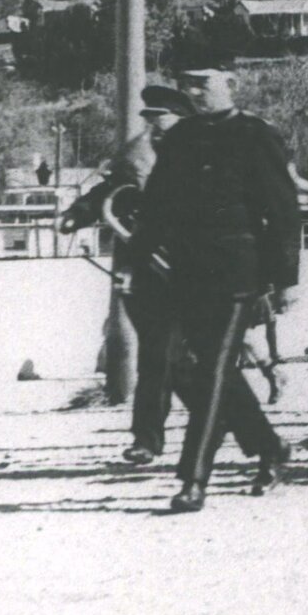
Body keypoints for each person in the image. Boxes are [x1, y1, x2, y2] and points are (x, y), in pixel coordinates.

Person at [125, 52, 300, 513]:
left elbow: (282, 210)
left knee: (214, 371)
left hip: (236, 273)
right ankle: (270, 448)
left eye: (203, 82)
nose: (194, 92)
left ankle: (193, 479)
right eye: (188, 84)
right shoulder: (181, 136)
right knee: (188, 371)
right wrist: (138, 260)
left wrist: (285, 279)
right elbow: (158, 205)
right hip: (182, 272)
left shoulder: (255, 134)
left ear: (231, 81)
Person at [59, 83, 192, 463]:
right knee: (155, 356)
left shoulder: (205, 153)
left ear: (182, 118)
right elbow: (112, 189)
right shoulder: (140, 156)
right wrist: (77, 213)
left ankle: (237, 422)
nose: (154, 125)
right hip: (148, 268)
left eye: (161, 117)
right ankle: (146, 440)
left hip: (196, 267)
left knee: (190, 361)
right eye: (149, 118)